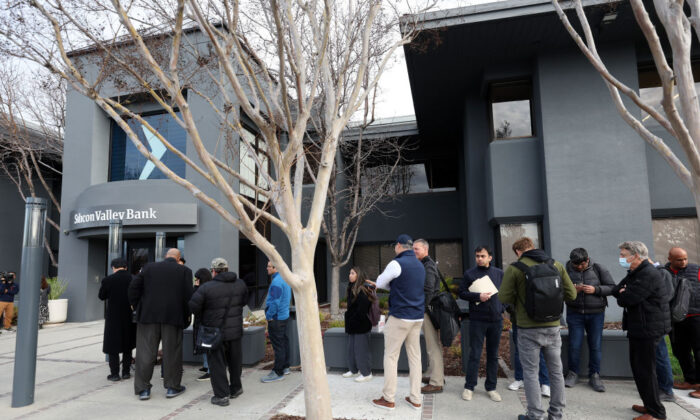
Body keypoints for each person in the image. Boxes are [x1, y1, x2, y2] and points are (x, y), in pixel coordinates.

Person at [498, 237, 576, 420]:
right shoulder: (555, 264)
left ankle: (535, 415)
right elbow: (571, 294)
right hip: (553, 327)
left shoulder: (516, 268)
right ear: (533, 247)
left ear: (519, 251)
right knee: (556, 371)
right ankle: (556, 414)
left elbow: (503, 297)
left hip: (527, 328)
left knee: (530, 373)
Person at [612, 241, 672, 420]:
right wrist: (623, 292)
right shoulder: (635, 273)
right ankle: (649, 404)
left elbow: (627, 299)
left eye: (623, 255)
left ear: (636, 256)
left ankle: (656, 413)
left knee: (646, 370)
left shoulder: (648, 274)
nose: (621, 258)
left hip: (649, 328)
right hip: (638, 327)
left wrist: (624, 293)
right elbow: (617, 290)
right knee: (639, 369)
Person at [128, 248, 193, 401]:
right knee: (172, 353)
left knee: (145, 353)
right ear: (178, 259)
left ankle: (143, 389)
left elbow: (133, 288)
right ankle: (172, 387)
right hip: (173, 317)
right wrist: (186, 316)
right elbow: (188, 296)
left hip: (148, 317)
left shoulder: (149, 267)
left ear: (165, 257)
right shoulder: (184, 271)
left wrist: (137, 306)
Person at [370, 234, 425, 411]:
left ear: (399, 246)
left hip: (400, 317)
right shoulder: (419, 264)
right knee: (415, 357)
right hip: (417, 317)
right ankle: (416, 399)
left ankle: (388, 398)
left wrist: (391, 285)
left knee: (391, 356)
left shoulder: (396, 263)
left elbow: (379, 282)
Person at [189, 258, 248, 407]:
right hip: (235, 331)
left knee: (217, 364)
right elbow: (244, 301)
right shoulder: (240, 284)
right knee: (235, 362)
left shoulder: (206, 287)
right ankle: (236, 388)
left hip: (215, 333)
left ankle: (222, 396)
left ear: (213, 271)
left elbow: (193, 307)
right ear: (227, 269)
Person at [564, 247, 615, 392]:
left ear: (587, 260)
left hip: (596, 313)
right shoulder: (566, 269)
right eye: (576, 265)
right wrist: (574, 290)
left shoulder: (599, 268)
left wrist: (596, 290)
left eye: (582, 264)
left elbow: (612, 288)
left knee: (595, 345)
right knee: (574, 344)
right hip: (574, 313)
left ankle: (595, 375)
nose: (579, 267)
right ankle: (573, 373)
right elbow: (559, 290)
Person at [459, 245, 504, 402]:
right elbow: (462, 293)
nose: (479, 258)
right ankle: (469, 387)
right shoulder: (469, 274)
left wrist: (501, 308)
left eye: (482, 256)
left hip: (496, 320)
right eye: (477, 256)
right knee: (475, 354)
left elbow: (506, 293)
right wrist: (478, 296)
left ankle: (491, 387)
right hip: (478, 319)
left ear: (489, 258)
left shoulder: (499, 273)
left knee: (493, 355)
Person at [662, 247, 700, 393]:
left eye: (685, 258)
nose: (683, 262)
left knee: (699, 351)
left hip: (696, 316)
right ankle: (690, 380)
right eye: (679, 259)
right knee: (680, 350)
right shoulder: (664, 272)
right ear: (670, 259)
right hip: (676, 319)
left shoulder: (695, 269)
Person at [412, 239, 444, 394]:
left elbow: (429, 289)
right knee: (431, 345)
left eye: (416, 249)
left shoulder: (428, 265)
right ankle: (434, 375)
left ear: (425, 249)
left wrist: (421, 308)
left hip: (428, 310)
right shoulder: (425, 264)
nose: (414, 251)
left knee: (432, 347)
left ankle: (437, 382)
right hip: (428, 309)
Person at [99, 257, 137, 381]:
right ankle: (126, 372)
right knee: (128, 345)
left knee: (112, 346)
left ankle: (114, 374)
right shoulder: (133, 279)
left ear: (113, 267)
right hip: (129, 316)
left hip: (113, 317)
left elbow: (101, 296)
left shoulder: (108, 280)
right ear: (126, 267)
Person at [261, 260, 292, 383]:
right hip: (283, 317)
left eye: (269, 266)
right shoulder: (284, 279)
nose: (267, 268)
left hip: (276, 318)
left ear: (276, 268)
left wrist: (269, 316)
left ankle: (278, 372)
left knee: (278, 345)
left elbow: (274, 302)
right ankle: (285, 367)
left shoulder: (277, 282)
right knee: (284, 342)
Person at [342, 266, 374, 383]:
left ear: (358, 276)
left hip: (361, 325)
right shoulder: (351, 288)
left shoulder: (363, 290)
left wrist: (354, 319)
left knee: (361, 350)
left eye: (352, 273)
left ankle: (366, 373)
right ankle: (353, 369)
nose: (350, 275)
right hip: (352, 324)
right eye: (350, 273)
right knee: (351, 349)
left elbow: (362, 309)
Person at [193, 268, 213, 381]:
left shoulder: (203, 290)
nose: (196, 281)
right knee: (203, 344)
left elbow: (194, 304)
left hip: (204, 321)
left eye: (197, 279)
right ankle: (206, 366)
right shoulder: (208, 287)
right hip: (203, 320)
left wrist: (195, 289)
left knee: (206, 345)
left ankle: (209, 370)